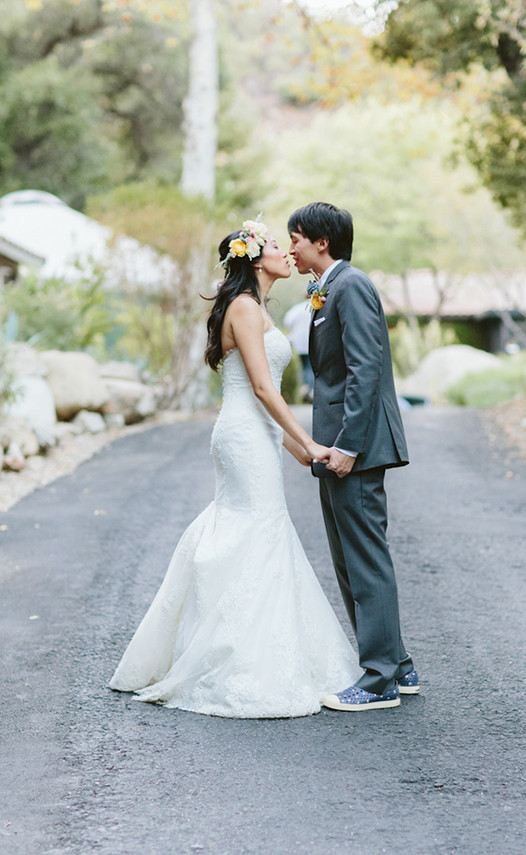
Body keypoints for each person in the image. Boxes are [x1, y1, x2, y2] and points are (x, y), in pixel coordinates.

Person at [108, 220, 361, 718]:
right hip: (242, 435)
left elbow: (269, 399)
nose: (287, 252)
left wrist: (302, 452)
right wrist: (311, 442)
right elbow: (265, 392)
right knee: (256, 527)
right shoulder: (244, 309)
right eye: (275, 246)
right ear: (253, 258)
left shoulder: (260, 309)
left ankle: (251, 641)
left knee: (257, 528)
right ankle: (235, 657)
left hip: (257, 433)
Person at [288, 202, 419, 711]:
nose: (291, 247)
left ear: (322, 242)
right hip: (335, 444)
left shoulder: (352, 285)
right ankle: (398, 665)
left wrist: (347, 445)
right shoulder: (329, 288)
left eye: (296, 237)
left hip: (353, 447)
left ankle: (379, 679)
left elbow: (367, 368)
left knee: (364, 559)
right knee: (349, 558)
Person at [284, 290, 314, 401]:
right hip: (312, 341)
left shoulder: (297, 308)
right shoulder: (316, 306)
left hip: (300, 342)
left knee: (305, 365)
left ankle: (305, 386)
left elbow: (288, 321)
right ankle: (311, 390)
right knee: (312, 365)